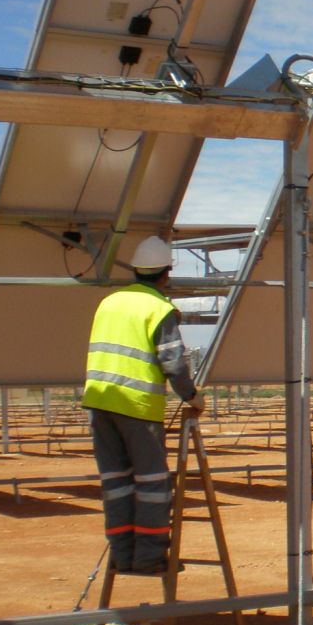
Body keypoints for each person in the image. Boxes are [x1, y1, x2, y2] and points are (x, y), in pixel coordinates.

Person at [83, 236, 204, 574]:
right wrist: (193, 398)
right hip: (137, 406)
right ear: (166, 274)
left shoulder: (109, 302)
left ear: (137, 270)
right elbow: (174, 364)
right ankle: (149, 558)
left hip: (98, 402)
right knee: (152, 484)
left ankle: (123, 555)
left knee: (116, 481)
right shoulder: (160, 309)